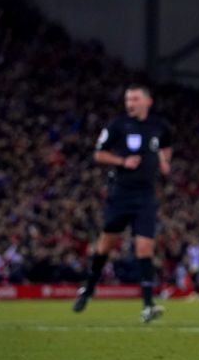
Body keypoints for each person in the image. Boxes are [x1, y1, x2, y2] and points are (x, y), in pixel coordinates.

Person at [73, 84, 173, 323]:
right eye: (128, 99)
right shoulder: (117, 125)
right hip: (120, 194)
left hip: (146, 196)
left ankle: (148, 305)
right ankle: (88, 288)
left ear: (147, 101)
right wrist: (122, 160)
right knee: (106, 244)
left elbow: (166, 146)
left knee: (144, 248)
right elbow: (99, 153)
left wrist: (164, 161)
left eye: (135, 99)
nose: (130, 103)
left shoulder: (160, 126)